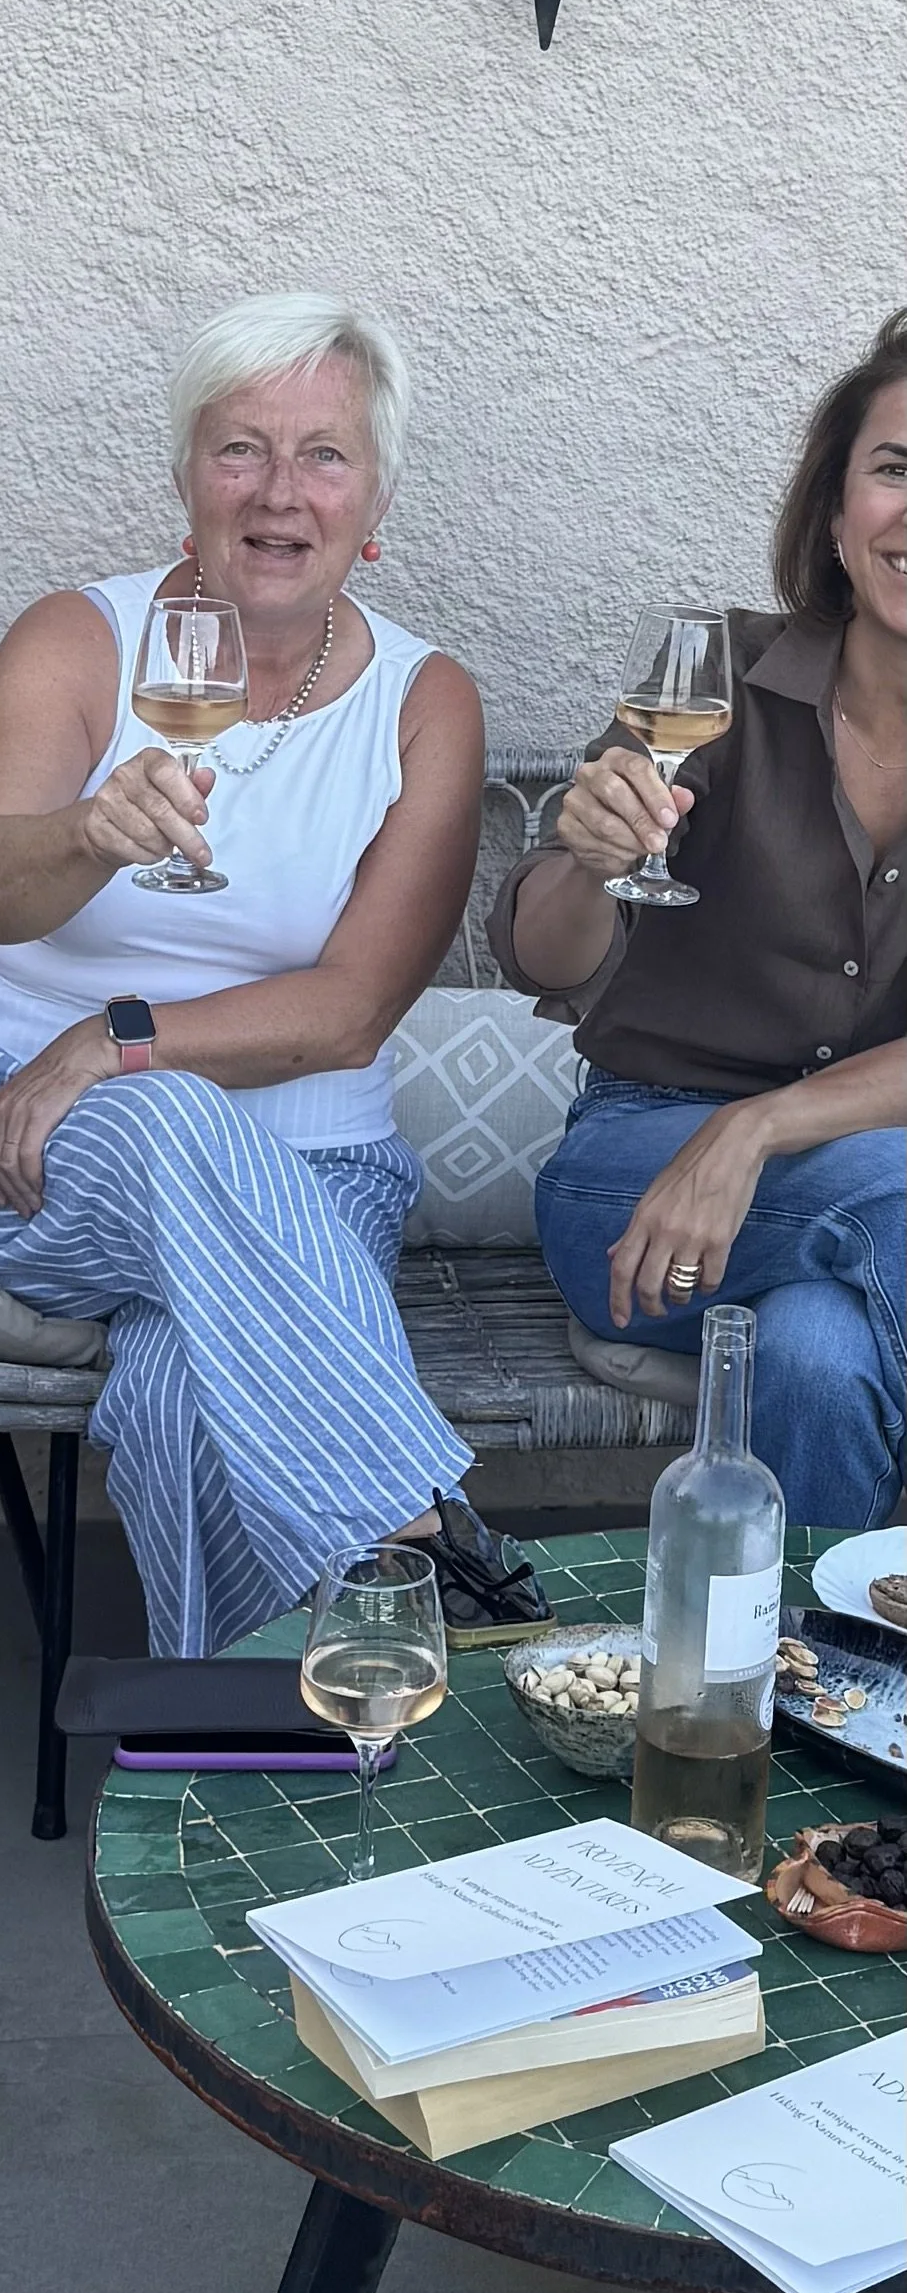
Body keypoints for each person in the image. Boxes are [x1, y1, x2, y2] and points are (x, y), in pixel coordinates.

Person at [0, 291, 552, 1658]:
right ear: (184, 475)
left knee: (188, 1385)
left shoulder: (422, 699)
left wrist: (114, 1038)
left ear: (373, 498)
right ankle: (421, 1525)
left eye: (322, 454)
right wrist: (82, 834)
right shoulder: (75, 640)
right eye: (237, 449)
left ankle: (247, 1755)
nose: (276, 493)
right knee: (172, 1122)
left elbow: (350, 1010)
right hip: (13, 1141)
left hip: (305, 1172)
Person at [493, 313, 906, 1524]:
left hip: (801, 1175)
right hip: (633, 1177)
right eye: (895, 469)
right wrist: (581, 858)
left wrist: (758, 1132)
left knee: (812, 1362)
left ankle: (803, 1694)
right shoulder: (713, 678)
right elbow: (541, 951)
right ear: (834, 516)